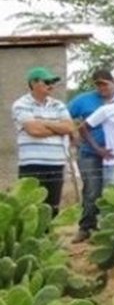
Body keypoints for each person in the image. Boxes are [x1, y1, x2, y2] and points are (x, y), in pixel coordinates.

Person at [12, 66, 74, 216]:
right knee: (31, 209)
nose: (51, 86)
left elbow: (69, 127)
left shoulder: (58, 104)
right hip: (32, 164)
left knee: (52, 209)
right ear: (33, 83)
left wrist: (43, 122)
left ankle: (49, 239)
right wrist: (56, 128)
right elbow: (34, 131)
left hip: (56, 163)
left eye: (52, 82)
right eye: (46, 82)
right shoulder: (21, 104)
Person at [67, 68, 114, 241]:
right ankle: (86, 227)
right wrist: (72, 134)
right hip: (89, 153)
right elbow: (64, 116)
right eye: (98, 85)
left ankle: (109, 228)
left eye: (105, 84)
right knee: (92, 190)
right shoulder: (83, 100)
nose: (102, 88)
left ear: (113, 82)